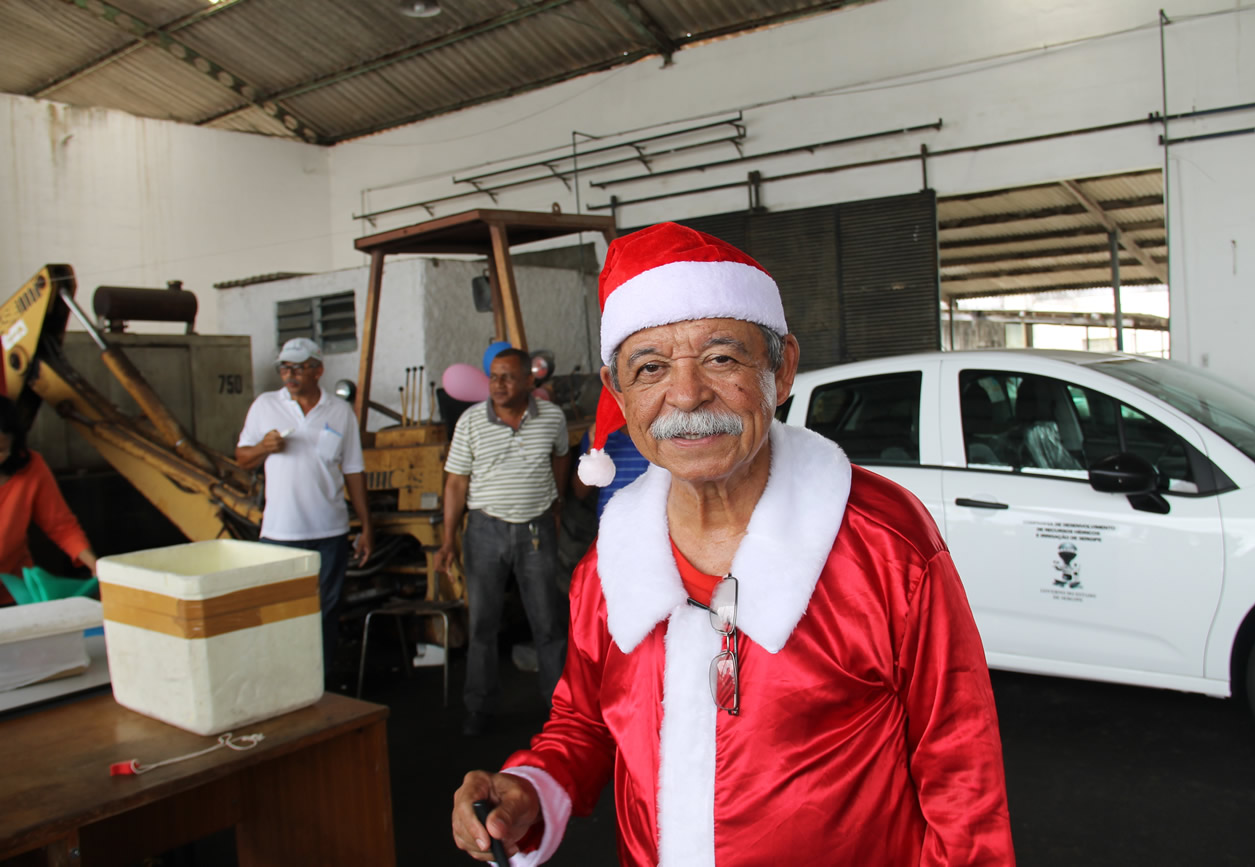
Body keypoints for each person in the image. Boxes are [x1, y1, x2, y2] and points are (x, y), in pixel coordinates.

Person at [451, 224, 1015, 865]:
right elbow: (584, 722)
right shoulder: (610, 567)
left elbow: (961, 767)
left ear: (783, 368)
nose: (686, 395)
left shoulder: (884, 544)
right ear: (618, 394)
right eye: (651, 368)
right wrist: (530, 788)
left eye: (721, 358)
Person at [432, 348, 570, 737]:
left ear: (529, 380)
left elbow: (561, 457)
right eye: (494, 376)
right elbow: (455, 483)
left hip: (536, 531)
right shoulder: (471, 421)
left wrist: (555, 505)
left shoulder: (552, 418)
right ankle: (480, 707)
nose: (498, 384)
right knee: (482, 624)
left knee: (548, 623)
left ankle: (560, 709)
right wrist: (447, 540)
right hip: (484, 531)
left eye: (508, 377)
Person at [236, 337, 373, 676]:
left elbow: (353, 471)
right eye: (284, 368)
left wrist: (367, 526)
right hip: (280, 534)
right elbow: (242, 458)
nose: (290, 375)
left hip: (329, 532)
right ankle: (283, 682)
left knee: (325, 613)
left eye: (299, 368)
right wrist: (264, 447)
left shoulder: (339, 411)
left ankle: (318, 684)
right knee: (280, 613)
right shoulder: (265, 405)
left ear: (318, 370)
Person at [0, 396, 97, 604]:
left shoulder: (31, 467)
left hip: (16, 593)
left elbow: (61, 525)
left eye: (1, 450)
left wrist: (95, 565)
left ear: (14, 442)